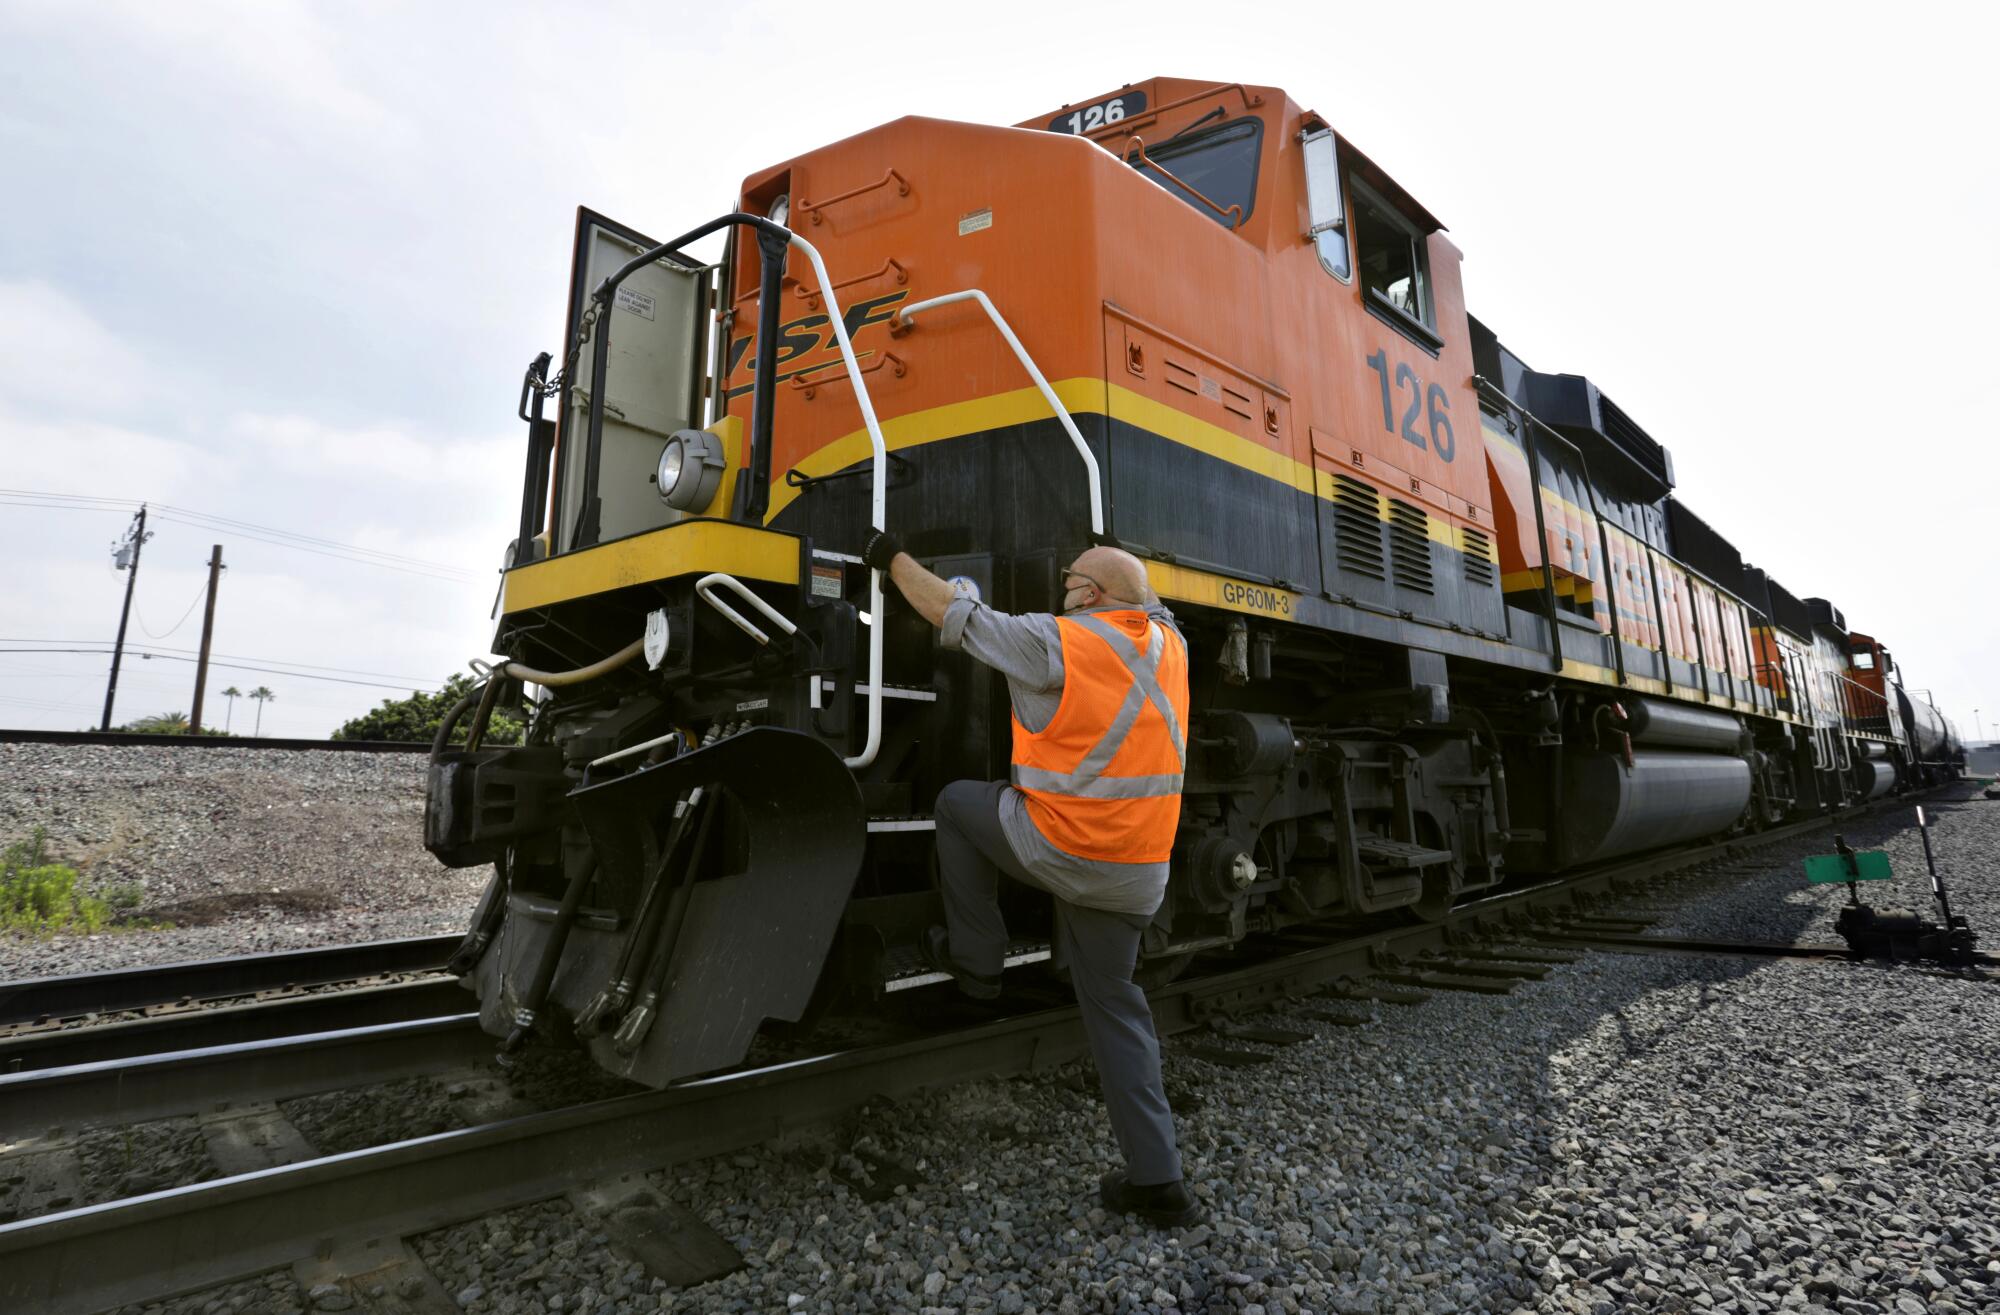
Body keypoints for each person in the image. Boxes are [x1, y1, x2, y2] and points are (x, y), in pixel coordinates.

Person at [860, 528, 1199, 1228]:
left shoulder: (1056, 641)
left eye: (1071, 581)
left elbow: (946, 611)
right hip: (1137, 874)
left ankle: (976, 964)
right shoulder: (1173, 648)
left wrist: (887, 555)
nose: (1062, 590)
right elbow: (1149, 602)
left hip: (1062, 850)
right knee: (1116, 1009)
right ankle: (1159, 1181)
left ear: (1089, 595)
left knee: (957, 804)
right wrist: (1122, 575)